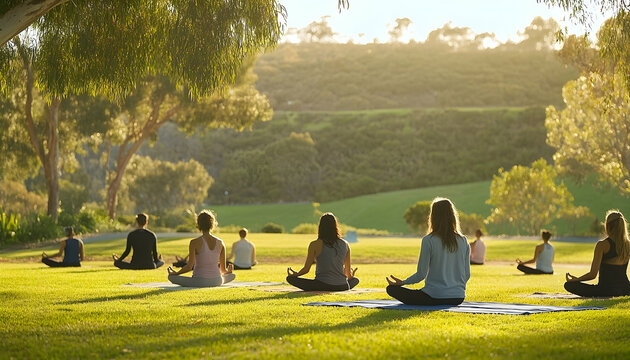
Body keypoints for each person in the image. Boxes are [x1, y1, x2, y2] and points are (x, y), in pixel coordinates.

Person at [386, 197, 470, 305]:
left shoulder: (428, 240)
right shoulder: (463, 240)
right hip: (458, 297)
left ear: (433, 217)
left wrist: (403, 282)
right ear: (452, 216)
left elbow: (421, 274)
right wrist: (455, 289)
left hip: (433, 296)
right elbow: (467, 274)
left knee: (391, 289)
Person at [286, 212, 359, 291]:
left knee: (290, 279)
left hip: (321, 285)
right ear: (335, 226)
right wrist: (351, 275)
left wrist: (296, 274)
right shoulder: (346, 244)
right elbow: (347, 274)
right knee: (355, 280)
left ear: (320, 227)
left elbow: (306, 269)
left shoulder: (314, 244)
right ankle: (340, 286)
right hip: (342, 286)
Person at [564, 210, 630, 297]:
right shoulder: (628, 244)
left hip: (606, 290)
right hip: (626, 289)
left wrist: (577, 279)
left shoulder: (602, 245)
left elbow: (592, 275)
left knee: (568, 285)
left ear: (607, 226)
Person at [167, 210, 235, 287]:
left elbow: (189, 266)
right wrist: (228, 272)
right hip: (217, 280)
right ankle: (219, 279)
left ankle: (174, 275)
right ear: (212, 224)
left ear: (198, 224)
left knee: (171, 277)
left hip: (199, 281)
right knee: (232, 276)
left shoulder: (194, 242)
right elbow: (223, 270)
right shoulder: (221, 242)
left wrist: (176, 273)